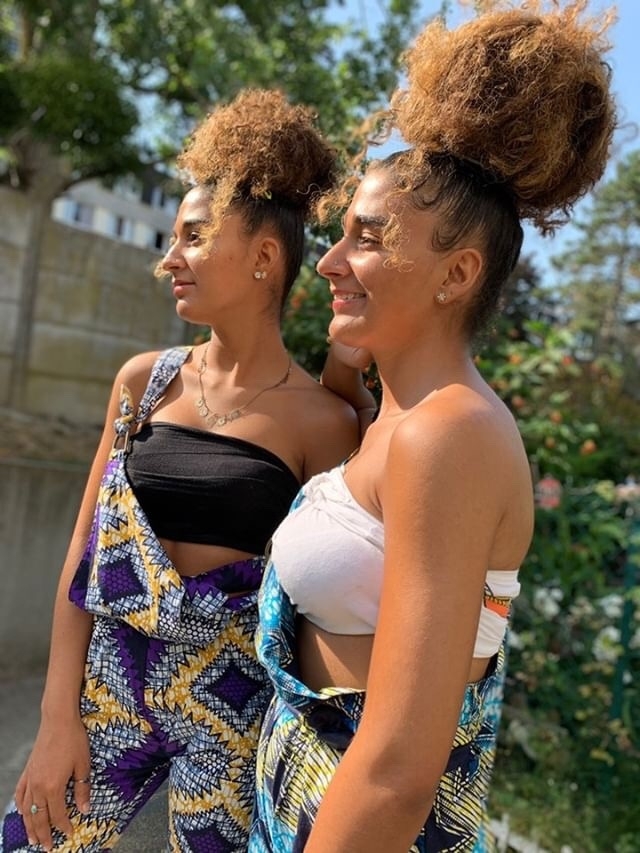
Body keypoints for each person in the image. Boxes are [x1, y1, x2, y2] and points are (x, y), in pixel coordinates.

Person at [248, 3, 617, 851]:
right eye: (339, 236)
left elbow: (397, 772)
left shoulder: (448, 434)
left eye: (367, 240)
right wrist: (355, 357)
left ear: (457, 274)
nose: (330, 262)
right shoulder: (403, 418)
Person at [0, 89, 363, 853]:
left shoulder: (324, 422)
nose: (168, 259)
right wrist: (56, 718)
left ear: (264, 259)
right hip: (108, 687)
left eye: (193, 238)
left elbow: (318, 601)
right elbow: (84, 559)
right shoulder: (143, 381)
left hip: (233, 715)